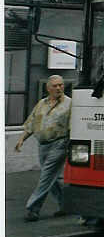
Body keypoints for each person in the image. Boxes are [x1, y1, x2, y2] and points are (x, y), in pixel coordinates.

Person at [15, 75, 72, 221]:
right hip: (43, 146)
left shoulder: (70, 104)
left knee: (46, 176)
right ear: (48, 88)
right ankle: (66, 205)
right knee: (53, 179)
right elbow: (32, 124)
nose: (59, 88)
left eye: (61, 85)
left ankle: (33, 209)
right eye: (55, 86)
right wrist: (21, 139)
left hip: (60, 144)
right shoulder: (41, 103)